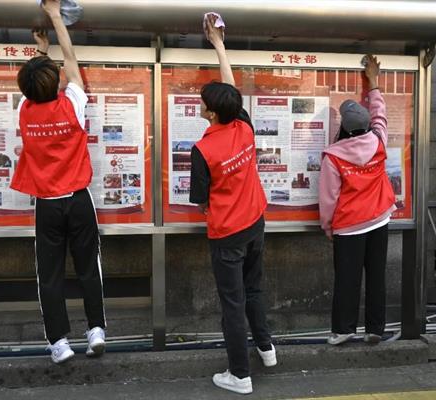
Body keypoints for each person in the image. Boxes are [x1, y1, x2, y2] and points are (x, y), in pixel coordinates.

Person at [10, 0, 106, 364]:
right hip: (79, 200)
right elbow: (71, 60)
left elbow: (38, 83)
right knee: (88, 266)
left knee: (49, 275)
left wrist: (39, 51)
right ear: (56, 83)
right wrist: (54, 17)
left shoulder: (25, 112)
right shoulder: (72, 105)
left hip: (47, 205)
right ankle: (96, 331)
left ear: (27, 91)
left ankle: (59, 343)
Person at [189, 13, 276, 396]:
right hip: (256, 224)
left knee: (233, 304)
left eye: (203, 103)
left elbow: (200, 201)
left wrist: (217, 210)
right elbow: (230, 88)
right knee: (253, 290)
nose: (201, 104)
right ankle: (267, 350)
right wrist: (219, 45)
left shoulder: (203, 149)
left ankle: (240, 375)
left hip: (227, 236)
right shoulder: (244, 127)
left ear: (211, 113)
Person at [318, 55, 396, 346]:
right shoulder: (378, 141)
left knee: (347, 279)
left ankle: (343, 329)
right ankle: (375, 329)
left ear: (345, 128)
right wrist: (373, 81)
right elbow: (380, 113)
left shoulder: (334, 156)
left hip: (349, 227)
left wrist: (328, 227)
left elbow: (329, 199)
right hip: (379, 220)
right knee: (376, 276)